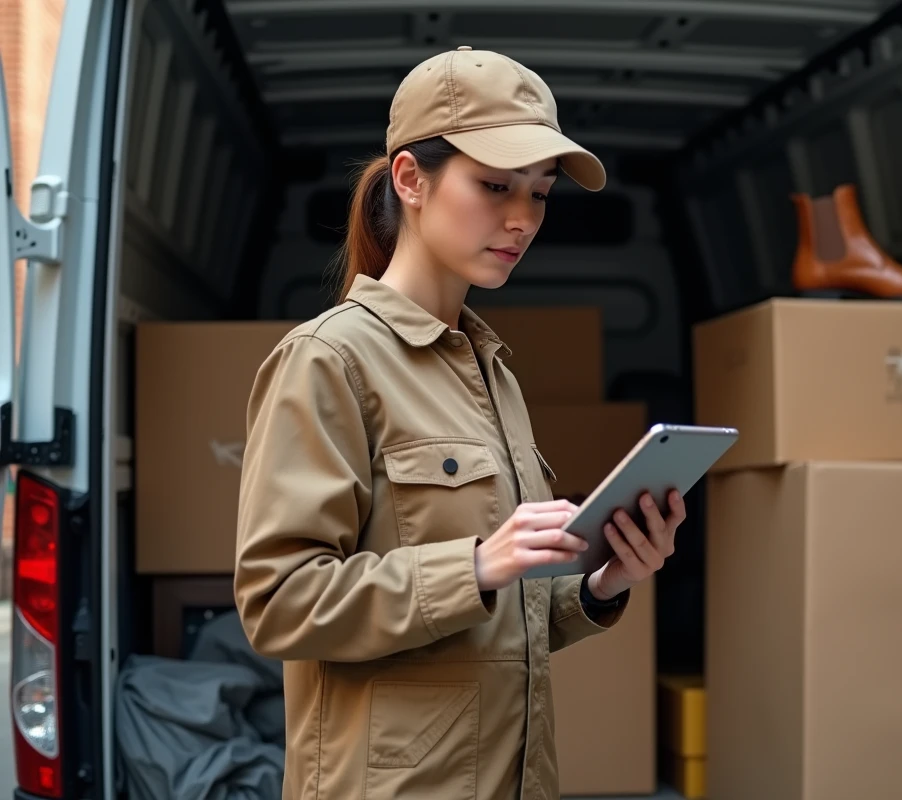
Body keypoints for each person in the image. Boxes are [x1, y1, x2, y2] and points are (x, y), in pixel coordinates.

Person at [233, 45, 686, 800]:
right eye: (494, 185)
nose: (522, 219)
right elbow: (279, 603)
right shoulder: (328, 359)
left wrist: (606, 581)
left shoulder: (489, 369)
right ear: (411, 179)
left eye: (540, 194)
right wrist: (473, 564)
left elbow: (497, 626)